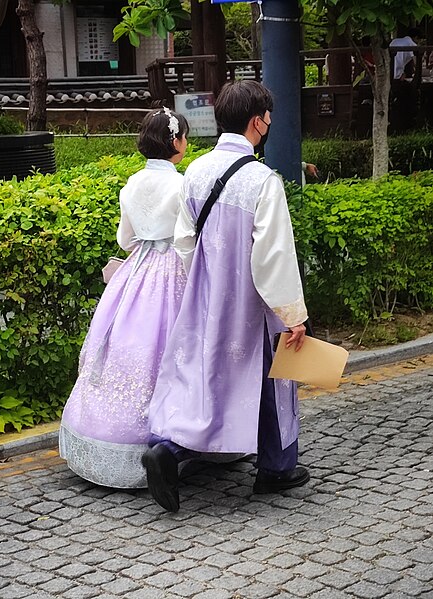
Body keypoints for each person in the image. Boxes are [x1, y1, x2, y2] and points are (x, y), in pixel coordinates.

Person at [143, 80, 310, 513]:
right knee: (272, 378)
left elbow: (184, 241)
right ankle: (275, 468)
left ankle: (171, 451)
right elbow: (273, 255)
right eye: (268, 117)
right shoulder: (262, 180)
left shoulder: (195, 170)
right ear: (258, 121)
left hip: (205, 296)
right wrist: (293, 314)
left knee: (207, 377)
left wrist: (203, 280)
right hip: (251, 305)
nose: (270, 123)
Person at [59, 107, 188, 489]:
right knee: (170, 350)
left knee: (121, 347)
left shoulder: (131, 183)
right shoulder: (181, 186)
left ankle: (103, 437)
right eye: (182, 136)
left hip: (137, 271)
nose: (185, 142)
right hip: (171, 268)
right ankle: (175, 444)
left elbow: (125, 239)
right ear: (174, 142)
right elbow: (186, 241)